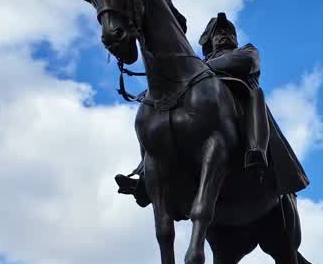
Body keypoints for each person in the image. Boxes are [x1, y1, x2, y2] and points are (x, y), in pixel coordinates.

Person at [115, 13, 308, 205]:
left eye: (229, 32)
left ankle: (256, 149)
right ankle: (145, 175)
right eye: (218, 33)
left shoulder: (246, 51)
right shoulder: (197, 68)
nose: (224, 35)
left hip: (240, 105)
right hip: (203, 113)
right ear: (210, 42)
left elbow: (244, 63)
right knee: (153, 114)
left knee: (257, 94)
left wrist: (196, 69)